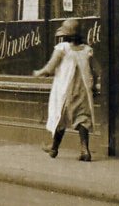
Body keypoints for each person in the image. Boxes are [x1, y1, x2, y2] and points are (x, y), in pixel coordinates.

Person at [36, 18, 98, 161]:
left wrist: (39, 72)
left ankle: (54, 148)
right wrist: (93, 86)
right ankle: (85, 150)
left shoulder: (62, 48)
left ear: (66, 34)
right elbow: (94, 71)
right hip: (82, 89)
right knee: (82, 118)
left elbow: (50, 68)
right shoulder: (87, 50)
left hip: (65, 88)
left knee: (60, 116)